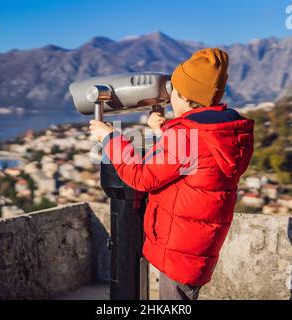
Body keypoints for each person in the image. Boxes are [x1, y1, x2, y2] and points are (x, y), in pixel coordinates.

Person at [89, 48, 254, 300]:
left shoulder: (185, 137)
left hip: (179, 246)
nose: (169, 96)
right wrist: (164, 133)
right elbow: (190, 164)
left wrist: (110, 138)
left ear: (186, 98)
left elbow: (141, 177)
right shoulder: (225, 132)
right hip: (198, 242)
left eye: (173, 91)